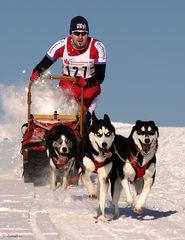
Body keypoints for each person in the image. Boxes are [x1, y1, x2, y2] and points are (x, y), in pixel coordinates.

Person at [30, 16, 106, 115]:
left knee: (83, 117)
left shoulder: (97, 47)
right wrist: (37, 72)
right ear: (71, 34)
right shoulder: (61, 45)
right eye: (76, 33)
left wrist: (87, 82)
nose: (80, 37)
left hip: (89, 87)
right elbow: (43, 64)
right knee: (64, 113)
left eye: (83, 34)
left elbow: (100, 76)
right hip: (69, 84)